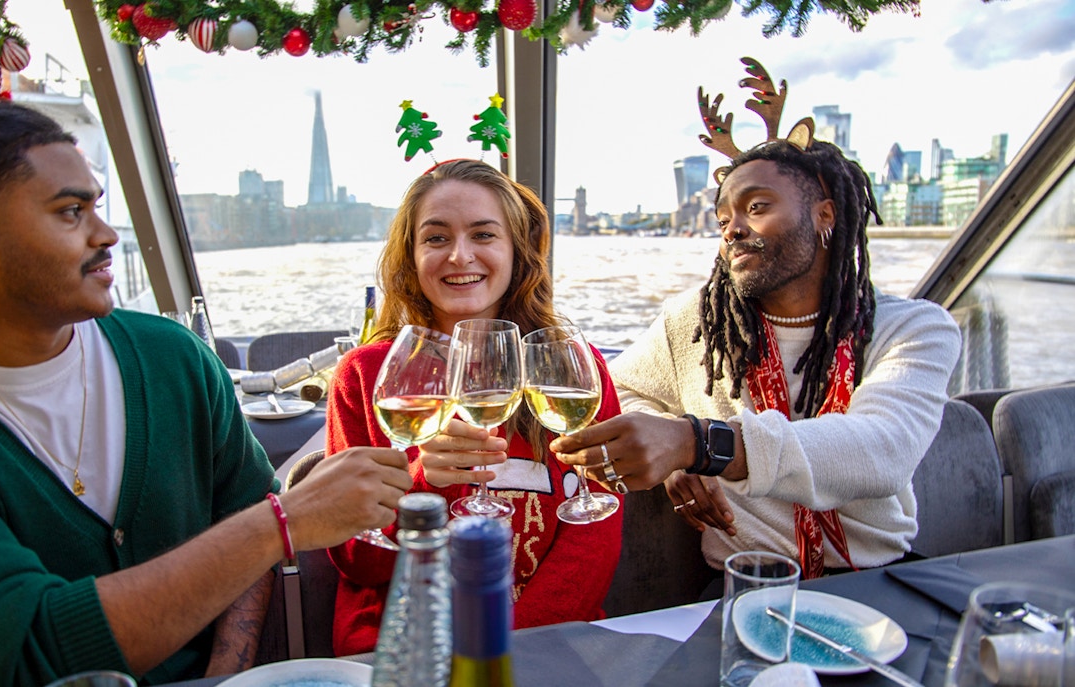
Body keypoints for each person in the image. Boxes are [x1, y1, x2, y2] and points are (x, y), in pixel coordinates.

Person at [0, 98, 413, 687]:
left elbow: (241, 508)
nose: (105, 235)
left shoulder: (172, 356)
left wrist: (222, 677)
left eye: (96, 206)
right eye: (70, 212)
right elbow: (17, 658)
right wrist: (282, 523)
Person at [552, 112, 961, 580]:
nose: (732, 229)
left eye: (757, 208)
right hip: (743, 583)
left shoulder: (914, 328)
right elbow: (617, 387)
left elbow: (883, 449)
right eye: (724, 218)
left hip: (876, 580)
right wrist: (672, 455)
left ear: (824, 214)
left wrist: (700, 444)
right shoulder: (693, 322)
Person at [324, 159, 623, 656]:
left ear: (517, 252)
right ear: (411, 256)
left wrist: (505, 653)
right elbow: (359, 560)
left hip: (547, 644)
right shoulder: (364, 376)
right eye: (436, 239)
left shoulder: (573, 369)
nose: (460, 256)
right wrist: (423, 483)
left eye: (483, 235)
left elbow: (594, 542)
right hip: (404, 648)